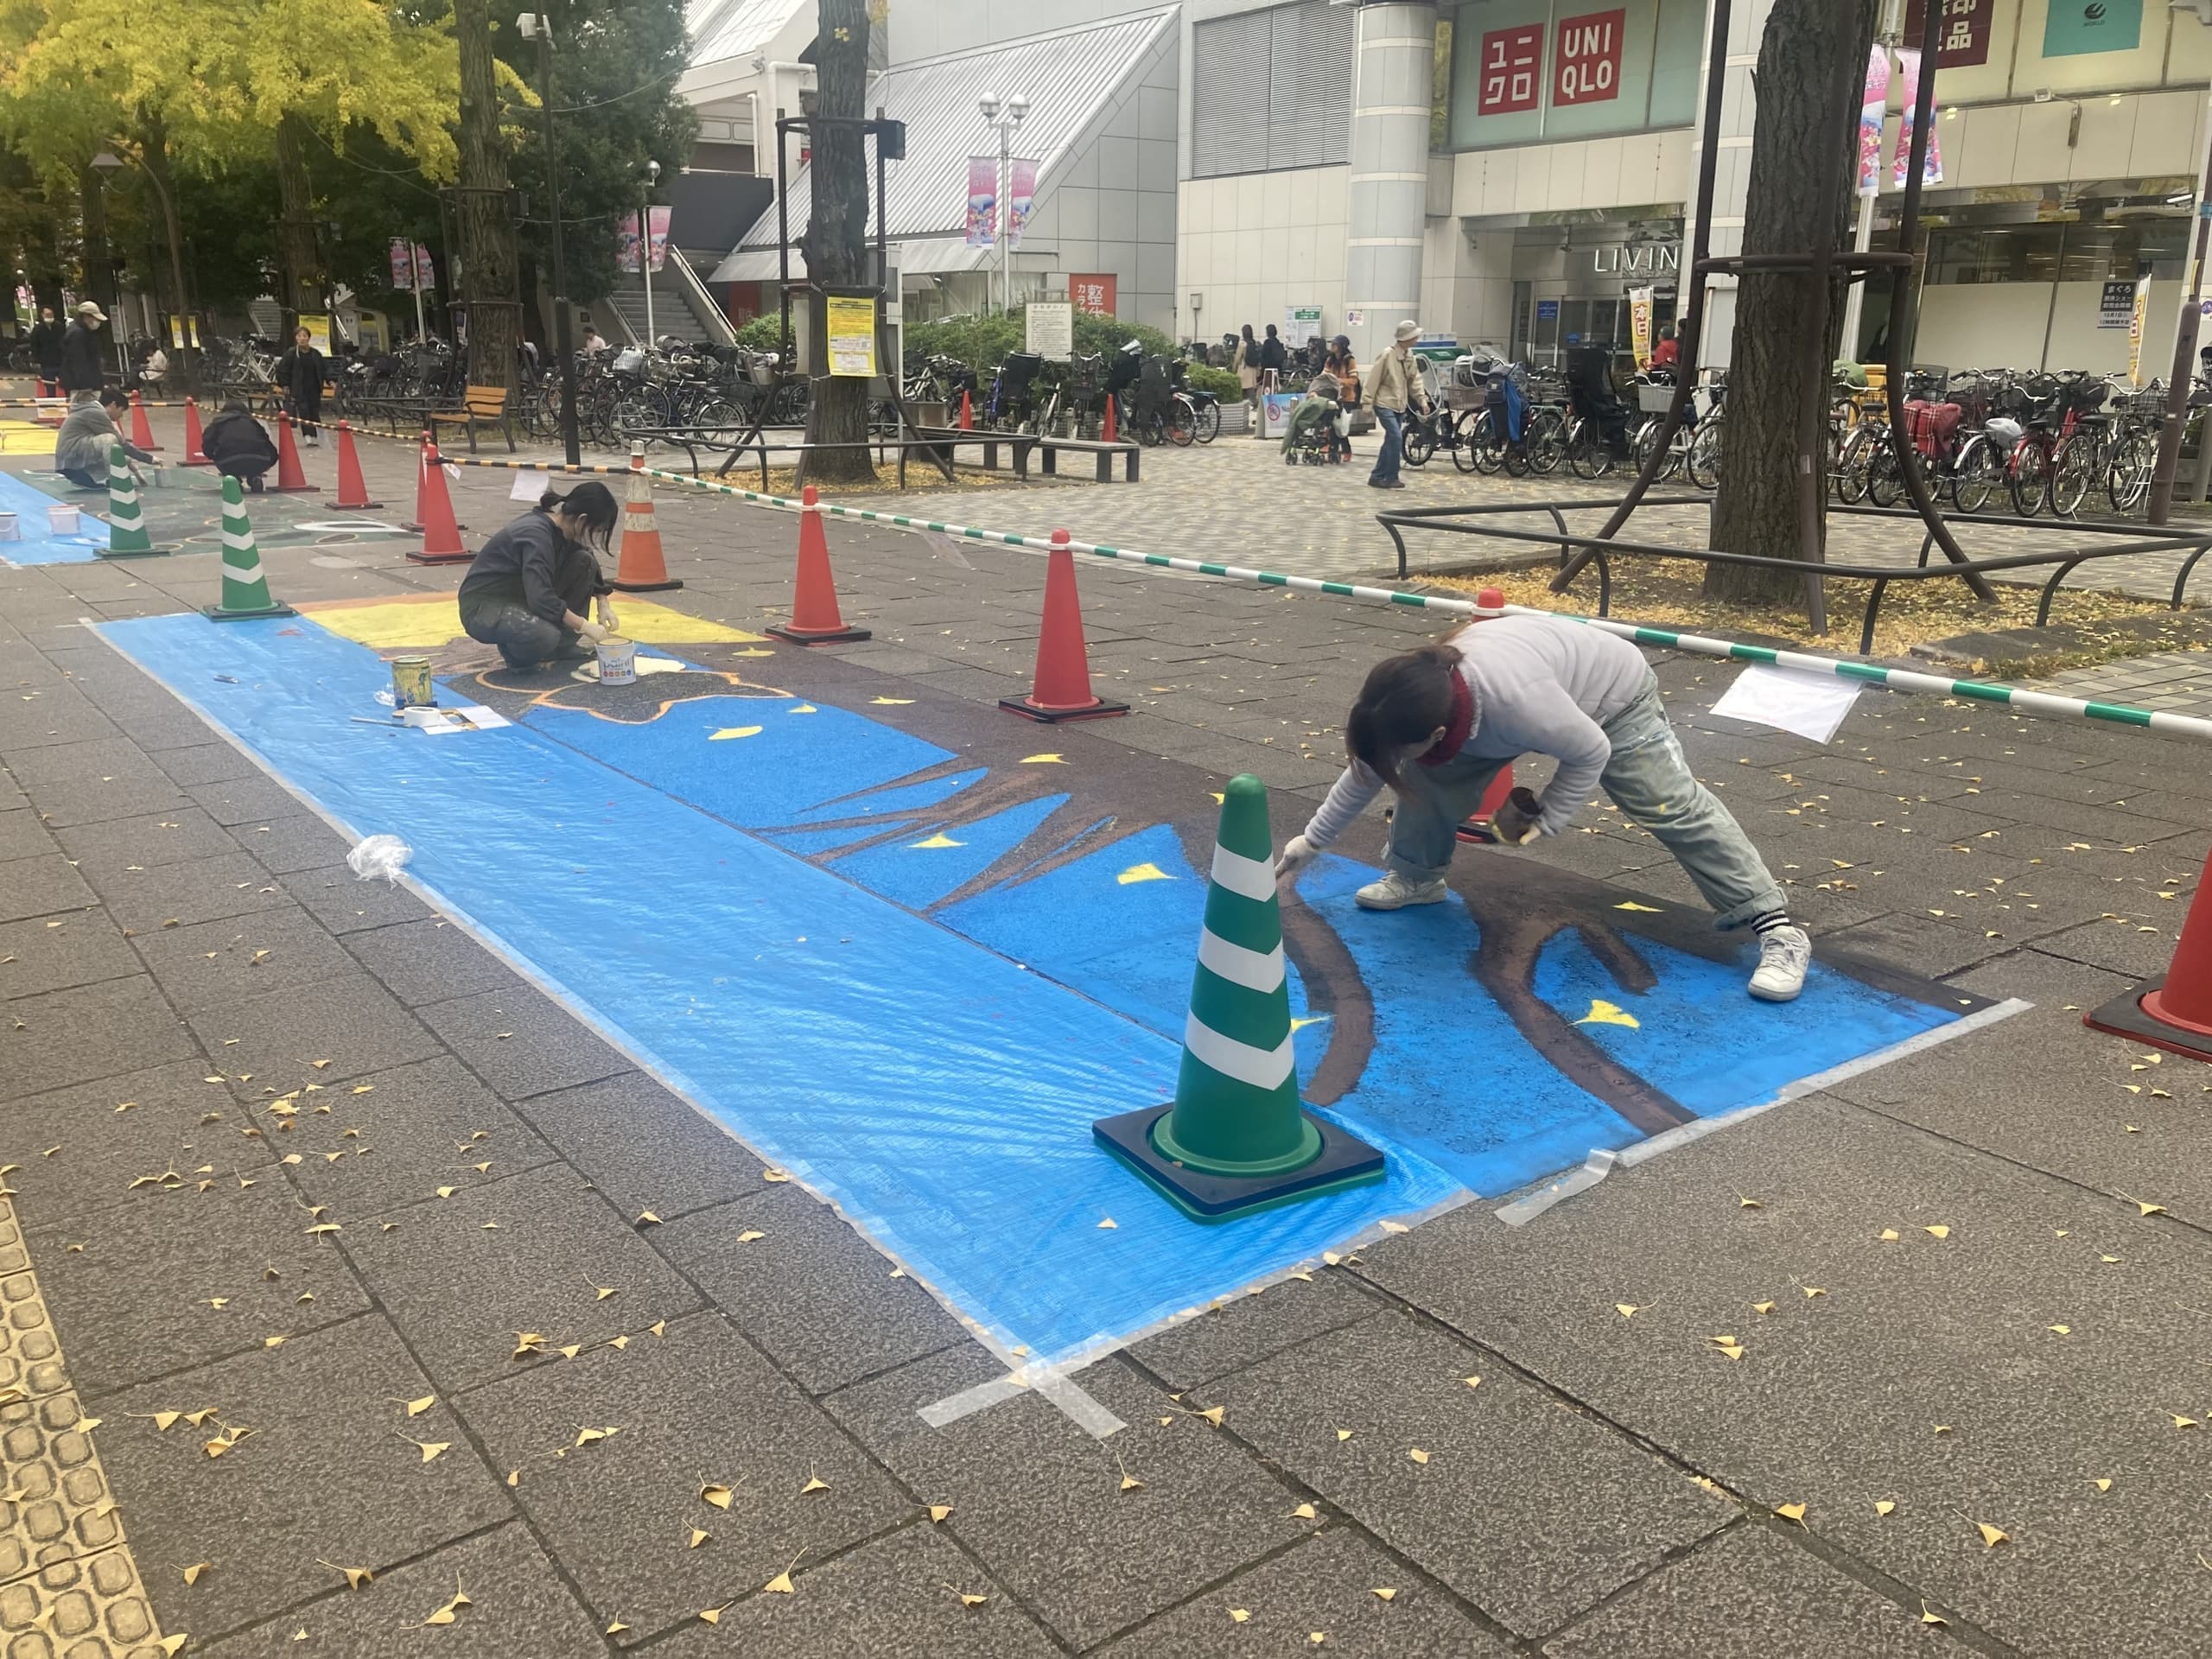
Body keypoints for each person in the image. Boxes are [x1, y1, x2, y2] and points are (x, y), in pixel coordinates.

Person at [1274, 614, 1812, 1001]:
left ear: (1438, 731)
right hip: (1524, 691)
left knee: (1665, 801)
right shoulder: (1406, 701)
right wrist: (1310, 842)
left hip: (1612, 695)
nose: (1387, 760)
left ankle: (1777, 928)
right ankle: (1418, 879)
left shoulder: (1518, 703)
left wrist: (1544, 819)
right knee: (1421, 777)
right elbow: (1368, 771)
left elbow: (1590, 750)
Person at [457, 482, 622, 671]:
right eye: (598, 530)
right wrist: (584, 626)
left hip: (518, 596)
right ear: (581, 520)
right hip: (483, 607)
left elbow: (587, 557)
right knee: (544, 635)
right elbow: (541, 599)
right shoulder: (536, 536)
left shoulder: (563, 531)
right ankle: (516, 654)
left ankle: (561, 647)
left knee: (583, 561)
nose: (595, 537)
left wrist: (603, 602)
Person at [1363, 319, 1428, 491]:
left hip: (1400, 404)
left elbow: (1415, 380)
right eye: (1415, 337)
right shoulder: (1387, 355)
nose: (1416, 339)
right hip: (1384, 403)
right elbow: (1373, 379)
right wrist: (1367, 402)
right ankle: (1391, 476)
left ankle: (1377, 476)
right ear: (1406, 338)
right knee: (1396, 437)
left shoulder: (1410, 356)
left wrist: (1422, 400)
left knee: (1391, 439)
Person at [54, 387, 155, 490]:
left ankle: (83, 479)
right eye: (121, 410)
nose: (121, 415)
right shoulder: (96, 413)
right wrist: (149, 459)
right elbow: (122, 444)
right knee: (109, 439)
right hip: (71, 456)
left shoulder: (92, 411)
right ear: (113, 404)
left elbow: (117, 451)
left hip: (70, 458)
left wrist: (134, 469)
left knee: (114, 449)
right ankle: (115, 480)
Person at [200, 400, 280, 493]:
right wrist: (271, 460)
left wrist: (213, 455)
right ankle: (255, 476)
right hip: (259, 460)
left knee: (228, 461)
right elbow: (267, 444)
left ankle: (235, 480)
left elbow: (207, 444)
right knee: (252, 461)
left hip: (229, 461)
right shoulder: (253, 422)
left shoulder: (218, 423)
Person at [276, 324, 327, 446]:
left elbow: (323, 369)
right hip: (299, 388)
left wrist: (331, 380)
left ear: (309, 338)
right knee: (304, 412)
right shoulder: (292, 353)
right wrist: (285, 385)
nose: (302, 338)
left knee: (314, 412)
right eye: (299, 336)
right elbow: (283, 370)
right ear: (296, 338)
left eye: (304, 336)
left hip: (314, 388)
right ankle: (308, 436)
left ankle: (318, 436)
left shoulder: (315, 354)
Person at [59, 302, 107, 403]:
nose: (97, 322)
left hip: (84, 384)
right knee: (86, 413)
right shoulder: (78, 334)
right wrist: (85, 386)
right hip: (84, 387)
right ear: (85, 316)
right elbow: (78, 361)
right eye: (95, 318)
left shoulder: (81, 331)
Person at [1323, 334, 1360, 460]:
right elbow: (1324, 375)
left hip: (1346, 397)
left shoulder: (1349, 360)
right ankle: (1342, 450)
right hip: (1333, 396)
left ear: (1341, 347)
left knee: (1339, 425)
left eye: (1335, 344)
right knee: (1335, 425)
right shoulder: (1330, 359)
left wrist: (1339, 382)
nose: (1332, 346)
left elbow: (1354, 380)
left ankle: (1335, 450)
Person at [29, 306, 64, 386]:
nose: (50, 316)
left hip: (60, 361)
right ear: (42, 315)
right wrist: (36, 361)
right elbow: (34, 346)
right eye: (47, 314)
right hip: (46, 363)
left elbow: (64, 342)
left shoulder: (60, 327)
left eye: (51, 314)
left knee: (63, 385)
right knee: (49, 385)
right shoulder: (38, 329)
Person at [1236, 324, 1260, 409]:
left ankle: (1254, 402)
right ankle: (1247, 403)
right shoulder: (1254, 343)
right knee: (1249, 387)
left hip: (1244, 368)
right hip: (1252, 369)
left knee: (1245, 387)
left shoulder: (1242, 344)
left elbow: (1237, 358)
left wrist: (1234, 368)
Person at [1258, 322, 1287, 387]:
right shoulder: (1278, 342)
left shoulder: (1267, 342)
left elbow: (1264, 355)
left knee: (1267, 387)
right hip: (1278, 368)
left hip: (1268, 369)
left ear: (1267, 333)